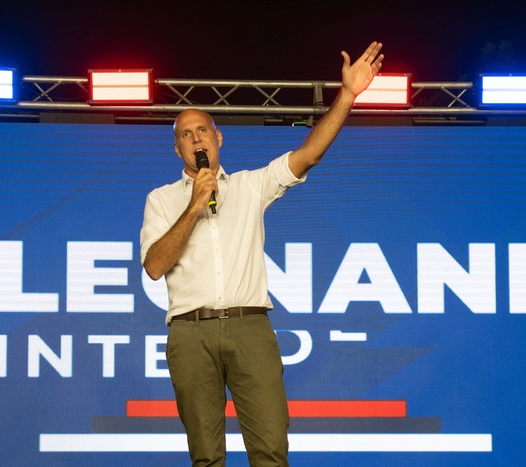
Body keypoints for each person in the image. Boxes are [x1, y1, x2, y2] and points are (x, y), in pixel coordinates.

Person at [140, 41, 384, 466]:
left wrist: (347, 95)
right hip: (190, 333)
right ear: (177, 150)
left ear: (218, 139)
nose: (196, 139)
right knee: (206, 457)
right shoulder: (161, 200)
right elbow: (155, 266)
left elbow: (309, 155)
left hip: (249, 326)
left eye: (202, 131)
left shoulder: (252, 186)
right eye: (185, 135)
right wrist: (195, 205)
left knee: (271, 449)